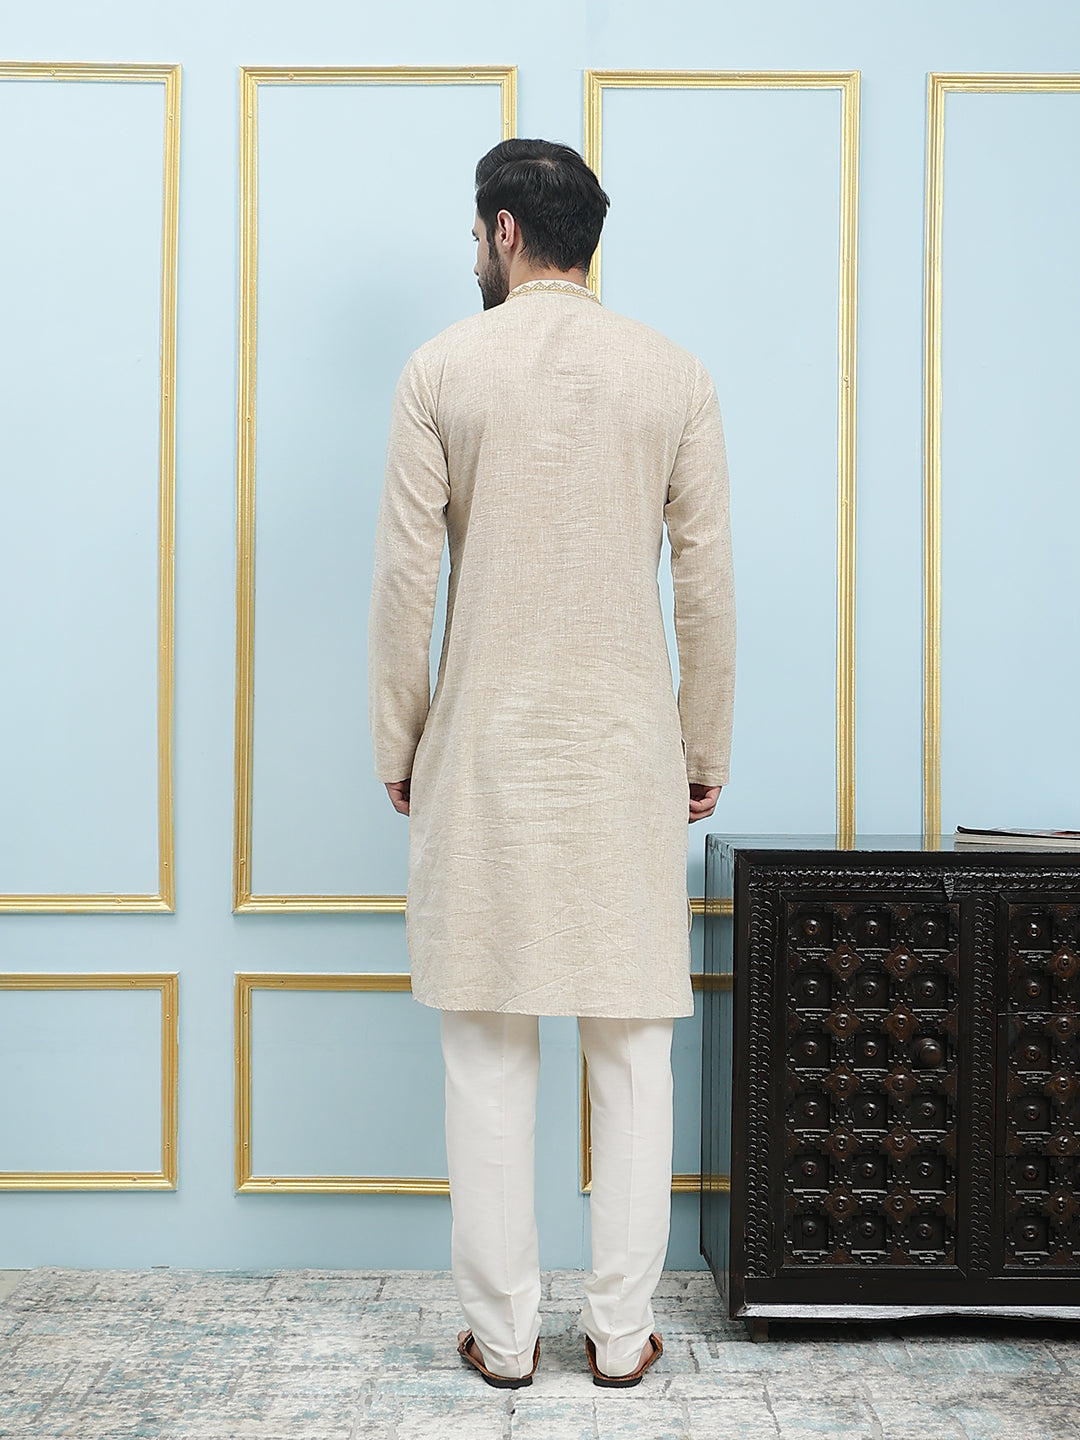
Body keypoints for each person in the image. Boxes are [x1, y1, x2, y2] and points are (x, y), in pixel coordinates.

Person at [368, 138, 735, 1390]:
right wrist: (703, 744)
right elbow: (707, 585)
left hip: (481, 752)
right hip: (629, 756)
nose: (475, 253)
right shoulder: (674, 374)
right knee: (631, 1054)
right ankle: (623, 1339)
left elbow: (406, 581)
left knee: (487, 1053)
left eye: (478, 235)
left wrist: (399, 737)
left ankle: (507, 1337)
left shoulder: (441, 369)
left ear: (506, 231)